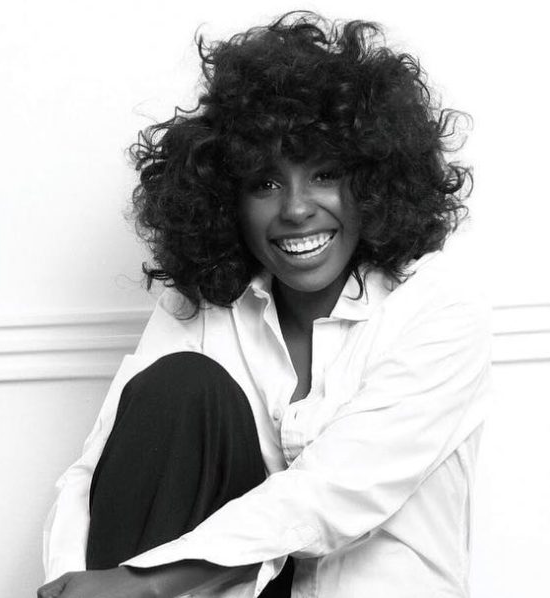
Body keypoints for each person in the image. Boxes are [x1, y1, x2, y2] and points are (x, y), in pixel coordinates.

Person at [38, 11, 491, 598]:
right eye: (265, 183)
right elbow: (99, 465)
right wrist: (71, 583)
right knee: (179, 386)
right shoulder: (205, 302)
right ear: (228, 199)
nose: (296, 209)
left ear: (375, 182)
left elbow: (332, 495)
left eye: (325, 174)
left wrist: (140, 584)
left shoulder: (437, 309)